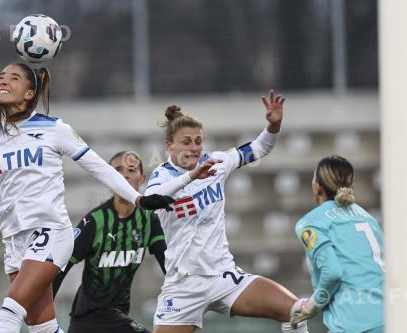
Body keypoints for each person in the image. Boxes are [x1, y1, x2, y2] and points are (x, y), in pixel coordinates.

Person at [0, 63, 174, 333]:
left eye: (14, 78)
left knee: (10, 311)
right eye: (1, 77)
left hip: (49, 231)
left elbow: (100, 167)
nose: (3, 82)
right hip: (13, 239)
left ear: (30, 93)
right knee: (42, 327)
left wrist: (138, 199)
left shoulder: (54, 128)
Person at [145, 90, 309, 333]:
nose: (194, 148)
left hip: (223, 276)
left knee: (296, 311)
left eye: (198, 141)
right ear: (169, 145)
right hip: (183, 285)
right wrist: (192, 176)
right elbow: (150, 200)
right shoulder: (162, 175)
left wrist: (273, 126)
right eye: (186, 141)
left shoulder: (216, 163)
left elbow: (259, 148)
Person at [53, 151, 172, 333]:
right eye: (117, 170)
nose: (125, 175)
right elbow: (60, 269)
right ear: (108, 178)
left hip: (118, 316)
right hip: (88, 320)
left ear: (141, 178)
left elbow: (168, 265)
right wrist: (42, 318)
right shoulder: (95, 222)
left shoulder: (149, 220)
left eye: (131, 170)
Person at [290, 155, 384, 332]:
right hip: (393, 316)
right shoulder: (368, 218)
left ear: (317, 187)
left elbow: (332, 272)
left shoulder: (310, 223)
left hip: (355, 321)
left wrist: (311, 306)